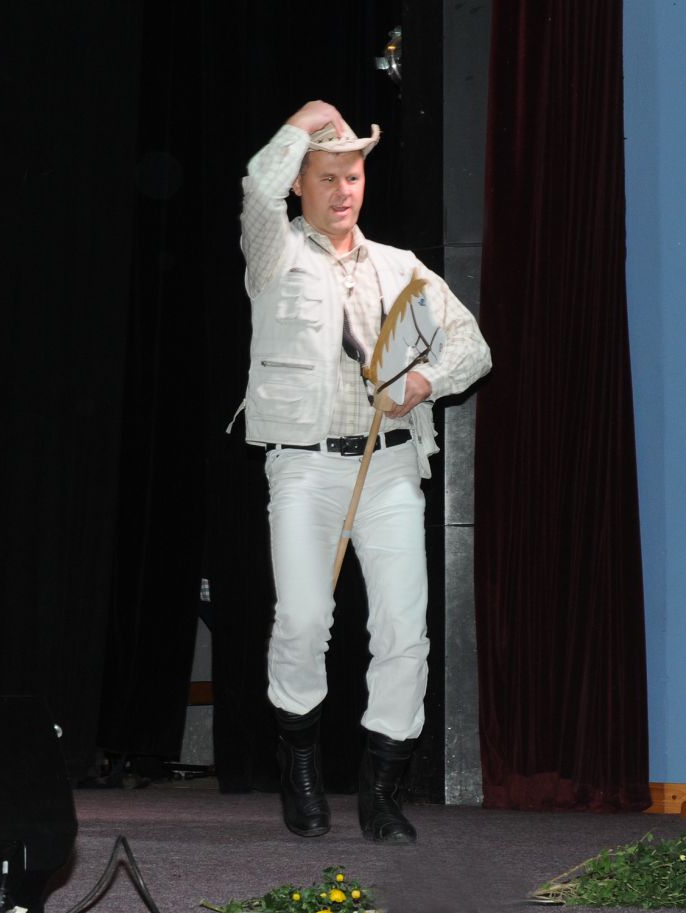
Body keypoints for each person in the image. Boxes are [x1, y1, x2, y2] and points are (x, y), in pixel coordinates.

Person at [234, 99, 492, 842]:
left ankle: (381, 791)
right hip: (305, 468)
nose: (343, 190)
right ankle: (301, 766)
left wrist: (424, 382)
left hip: (390, 467)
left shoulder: (400, 268)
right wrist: (310, 115)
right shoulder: (274, 253)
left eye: (353, 176)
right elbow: (255, 185)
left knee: (404, 629)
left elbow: (472, 347)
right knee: (304, 619)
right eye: (327, 177)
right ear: (300, 184)